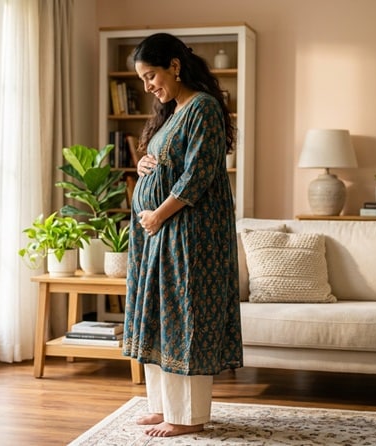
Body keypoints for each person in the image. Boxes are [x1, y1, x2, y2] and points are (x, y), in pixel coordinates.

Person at [122, 32, 243, 438]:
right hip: (161, 233)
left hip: (189, 235)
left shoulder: (203, 108)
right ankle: (162, 406)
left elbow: (198, 175)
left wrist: (156, 214)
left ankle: (187, 415)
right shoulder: (173, 112)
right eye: (141, 79)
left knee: (183, 319)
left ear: (175, 65)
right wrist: (144, 169)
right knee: (160, 317)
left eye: (150, 75)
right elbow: (166, 163)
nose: (147, 86)